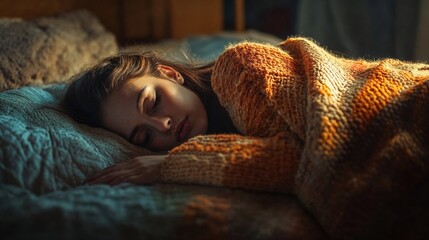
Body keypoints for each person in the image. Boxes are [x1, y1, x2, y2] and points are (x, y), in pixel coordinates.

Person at [63, 36, 429, 239]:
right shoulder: (217, 131)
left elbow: (304, 159)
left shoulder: (240, 68)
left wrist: (172, 164)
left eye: (153, 102)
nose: (164, 126)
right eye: (143, 134)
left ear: (170, 75)